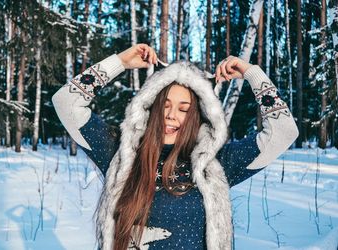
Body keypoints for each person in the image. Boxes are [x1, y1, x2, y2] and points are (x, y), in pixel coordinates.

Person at [52, 44, 298, 250]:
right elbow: (66, 102)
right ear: (150, 107)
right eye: (165, 106)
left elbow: (283, 131)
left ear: (197, 116)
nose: (171, 116)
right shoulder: (122, 152)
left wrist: (252, 73)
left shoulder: (213, 164)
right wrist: (119, 62)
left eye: (184, 109)